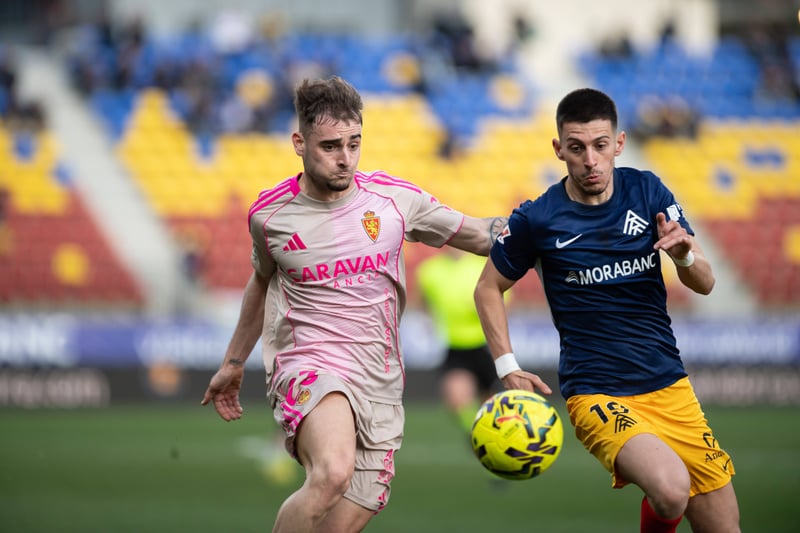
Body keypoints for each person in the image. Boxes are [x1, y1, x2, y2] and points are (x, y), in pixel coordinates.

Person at [201, 75, 506, 532]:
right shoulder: (270, 217)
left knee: (343, 519)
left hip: (378, 377)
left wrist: (551, 225)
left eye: (354, 143)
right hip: (309, 364)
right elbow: (261, 282)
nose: (345, 158)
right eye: (330, 146)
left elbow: (482, 235)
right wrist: (234, 361)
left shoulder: (393, 201)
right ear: (299, 143)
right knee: (332, 472)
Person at [473, 88, 740, 533]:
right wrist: (508, 367)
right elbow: (487, 289)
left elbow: (706, 283)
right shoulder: (538, 219)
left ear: (619, 143)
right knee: (671, 488)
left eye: (600, 145)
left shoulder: (647, 191)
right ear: (559, 149)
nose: (590, 161)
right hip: (598, 392)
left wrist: (685, 257)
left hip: (671, 387)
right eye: (576, 148)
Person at [416, 247, 499, 435]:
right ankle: (477, 432)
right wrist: (433, 320)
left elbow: (503, 299)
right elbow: (423, 301)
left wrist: (482, 309)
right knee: (456, 400)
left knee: (492, 402)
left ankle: (494, 434)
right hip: (455, 347)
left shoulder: (482, 266)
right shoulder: (429, 270)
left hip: (486, 345)